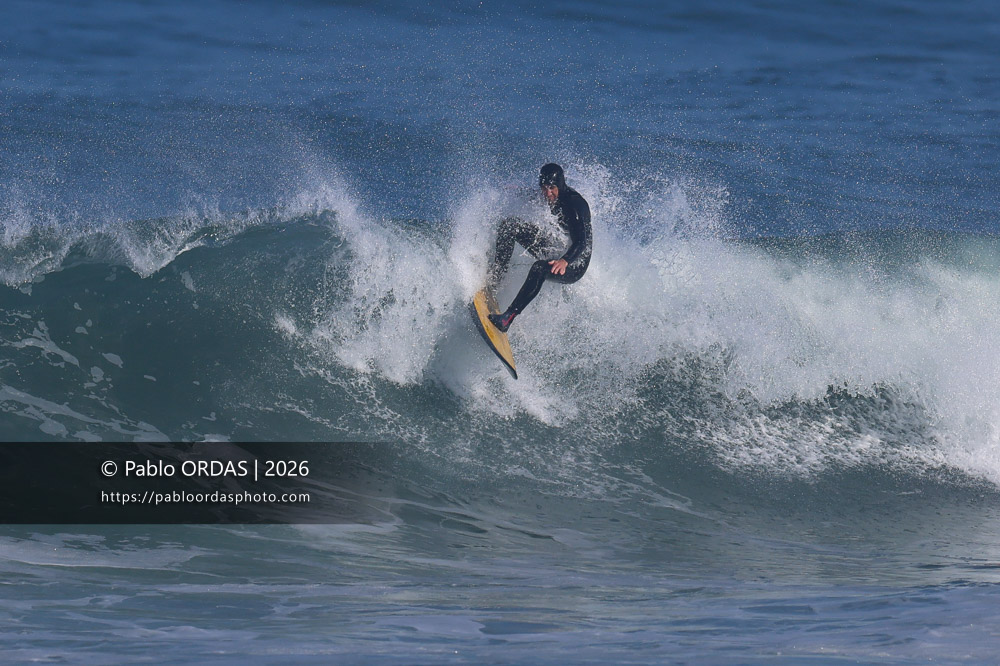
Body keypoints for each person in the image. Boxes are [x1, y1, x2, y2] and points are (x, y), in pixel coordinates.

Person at [487, 163, 592, 332]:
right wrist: (517, 191)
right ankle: (496, 279)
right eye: (544, 188)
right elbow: (533, 195)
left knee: (539, 269)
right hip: (559, 250)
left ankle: (508, 318)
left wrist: (565, 260)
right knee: (510, 226)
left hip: (575, 262)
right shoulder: (548, 194)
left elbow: (582, 242)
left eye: (552, 188)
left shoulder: (574, 205)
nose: (547, 193)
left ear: (560, 185)